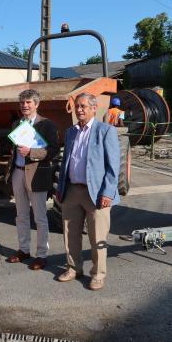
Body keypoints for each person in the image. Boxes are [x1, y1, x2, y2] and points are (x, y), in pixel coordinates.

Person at [56, 92, 119, 291]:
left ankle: (98, 274)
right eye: (77, 106)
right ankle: (74, 268)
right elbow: (66, 161)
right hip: (72, 191)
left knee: (97, 237)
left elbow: (113, 166)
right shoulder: (71, 132)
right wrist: (60, 187)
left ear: (94, 108)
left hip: (97, 193)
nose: (79, 110)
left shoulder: (105, 131)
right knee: (70, 234)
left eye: (83, 106)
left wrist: (108, 192)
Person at [4, 90, 58, 270]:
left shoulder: (47, 124)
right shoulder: (16, 124)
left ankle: (42, 254)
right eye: (22, 103)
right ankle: (24, 249)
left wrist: (32, 152)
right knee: (21, 215)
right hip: (18, 173)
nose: (25, 106)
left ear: (36, 104)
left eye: (28, 102)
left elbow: (53, 151)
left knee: (40, 217)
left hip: (37, 174)